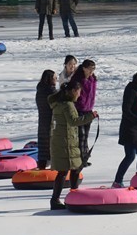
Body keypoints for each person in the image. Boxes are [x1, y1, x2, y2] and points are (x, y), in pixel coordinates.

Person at [48, 80, 98, 210]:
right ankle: (71, 196)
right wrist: (90, 116)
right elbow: (74, 121)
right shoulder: (68, 105)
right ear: (72, 91)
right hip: (66, 143)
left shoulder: (58, 104)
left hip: (62, 141)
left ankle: (58, 198)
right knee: (71, 170)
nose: (79, 94)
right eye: (78, 91)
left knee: (68, 170)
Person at [72, 59, 97, 165]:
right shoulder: (78, 79)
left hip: (88, 110)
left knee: (85, 135)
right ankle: (80, 158)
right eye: (89, 69)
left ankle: (85, 157)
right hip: (79, 110)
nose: (91, 71)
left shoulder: (93, 79)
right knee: (80, 135)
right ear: (84, 68)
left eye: (93, 69)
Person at [35, 69, 57, 170]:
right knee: (52, 145)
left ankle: (41, 167)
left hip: (42, 121)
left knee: (43, 146)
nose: (56, 80)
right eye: (54, 78)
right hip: (51, 121)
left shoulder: (39, 90)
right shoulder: (52, 91)